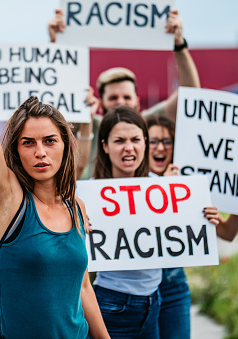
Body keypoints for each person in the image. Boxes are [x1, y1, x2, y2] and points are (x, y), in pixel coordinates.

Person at [0, 33, 110, 339]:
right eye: (28, 143)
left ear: (64, 146)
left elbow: (82, 286)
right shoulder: (9, 202)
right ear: (16, 151)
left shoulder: (76, 207)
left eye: (49, 141)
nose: (40, 152)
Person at [92, 106, 221, 338]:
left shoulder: (163, 187)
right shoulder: (90, 193)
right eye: (119, 140)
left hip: (154, 300)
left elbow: (184, 231)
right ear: (105, 146)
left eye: (135, 139)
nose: (129, 147)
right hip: (111, 303)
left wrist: (204, 216)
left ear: (144, 143)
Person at [48, 8, 200, 179]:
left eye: (126, 97)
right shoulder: (88, 124)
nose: (120, 102)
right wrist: (58, 45)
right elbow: (55, 117)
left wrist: (178, 44)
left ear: (137, 100)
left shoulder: (150, 121)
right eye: (113, 98)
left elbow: (190, 96)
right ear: (100, 102)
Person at [145, 115, 238, 339]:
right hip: (139, 292)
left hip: (174, 286)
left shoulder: (190, 185)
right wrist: (164, 187)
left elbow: (228, 233)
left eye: (167, 141)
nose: (160, 147)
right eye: (153, 141)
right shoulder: (129, 183)